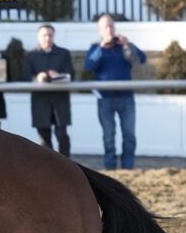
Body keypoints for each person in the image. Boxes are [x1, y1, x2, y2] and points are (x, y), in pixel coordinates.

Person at [84, 14, 146, 169]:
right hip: (105, 98)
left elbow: (142, 59)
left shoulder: (123, 45)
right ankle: (110, 167)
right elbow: (89, 66)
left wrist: (128, 44)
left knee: (129, 134)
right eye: (105, 26)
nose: (109, 29)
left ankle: (128, 167)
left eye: (111, 25)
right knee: (109, 136)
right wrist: (102, 47)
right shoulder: (95, 47)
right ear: (100, 30)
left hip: (126, 97)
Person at [25, 24, 74, 156]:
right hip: (40, 101)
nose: (47, 38)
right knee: (44, 139)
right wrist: (37, 78)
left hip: (60, 101)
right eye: (44, 35)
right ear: (38, 37)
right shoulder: (31, 55)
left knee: (62, 136)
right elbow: (25, 76)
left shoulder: (63, 53)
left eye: (50, 35)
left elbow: (71, 75)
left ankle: (66, 164)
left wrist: (58, 76)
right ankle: (49, 166)